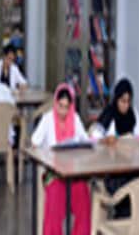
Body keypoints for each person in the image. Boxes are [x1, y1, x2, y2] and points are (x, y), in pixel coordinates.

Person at [32, 84, 91, 235]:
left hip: (73, 172)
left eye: (66, 107)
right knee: (55, 197)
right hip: (54, 173)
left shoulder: (75, 118)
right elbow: (34, 142)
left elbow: (85, 140)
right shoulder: (47, 119)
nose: (63, 111)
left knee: (83, 193)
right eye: (60, 106)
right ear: (55, 103)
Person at [90, 78, 139, 218]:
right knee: (124, 184)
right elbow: (93, 137)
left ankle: (131, 219)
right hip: (112, 169)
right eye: (122, 101)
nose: (125, 105)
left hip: (130, 164)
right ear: (116, 99)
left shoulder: (133, 114)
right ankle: (122, 217)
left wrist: (134, 141)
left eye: (128, 101)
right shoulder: (109, 114)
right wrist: (105, 140)